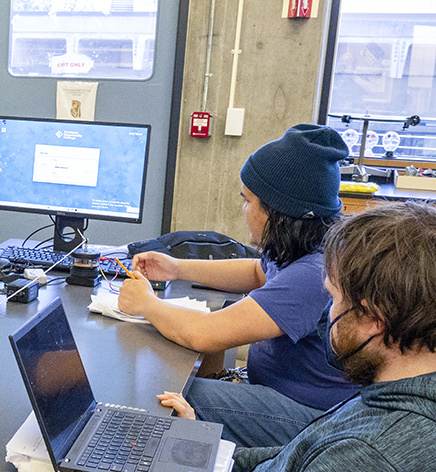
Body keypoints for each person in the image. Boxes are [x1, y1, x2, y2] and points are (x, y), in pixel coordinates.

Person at [118, 124, 358, 448]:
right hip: (285, 393)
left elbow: (204, 334)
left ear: (278, 212)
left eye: (248, 201)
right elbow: (258, 273)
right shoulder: (305, 248)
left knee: (169, 390)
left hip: (309, 416)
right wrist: (177, 267)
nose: (243, 211)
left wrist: (146, 303)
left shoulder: (312, 274)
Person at [157, 202, 436, 472]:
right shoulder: (388, 392)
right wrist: (202, 450)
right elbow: (288, 457)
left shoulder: (364, 453)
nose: (326, 313)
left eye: (334, 299)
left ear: (373, 320)